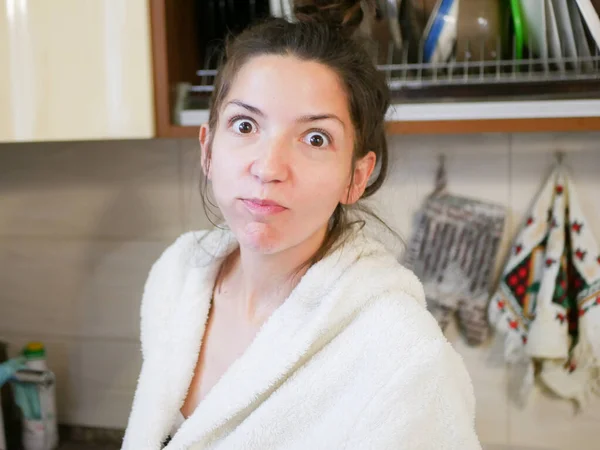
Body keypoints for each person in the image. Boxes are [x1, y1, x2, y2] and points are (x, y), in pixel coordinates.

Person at [122, 1, 481, 448]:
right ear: (208, 147)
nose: (269, 167)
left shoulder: (401, 354)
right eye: (245, 124)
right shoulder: (175, 280)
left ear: (356, 176)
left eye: (315, 138)